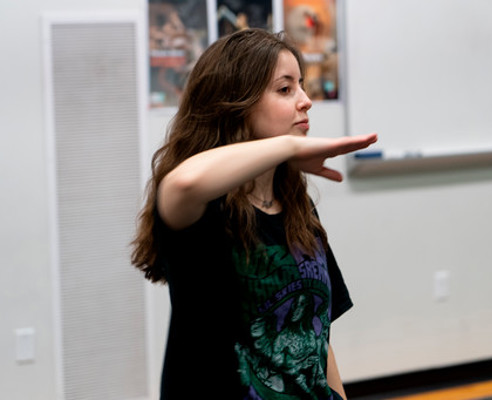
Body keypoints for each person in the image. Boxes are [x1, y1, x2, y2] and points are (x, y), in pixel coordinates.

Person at [131, 28, 377, 399]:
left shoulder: (296, 207)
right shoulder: (201, 209)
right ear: (236, 103)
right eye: (285, 89)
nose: (306, 101)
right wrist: (289, 146)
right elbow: (183, 182)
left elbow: (316, 339)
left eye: (302, 85)